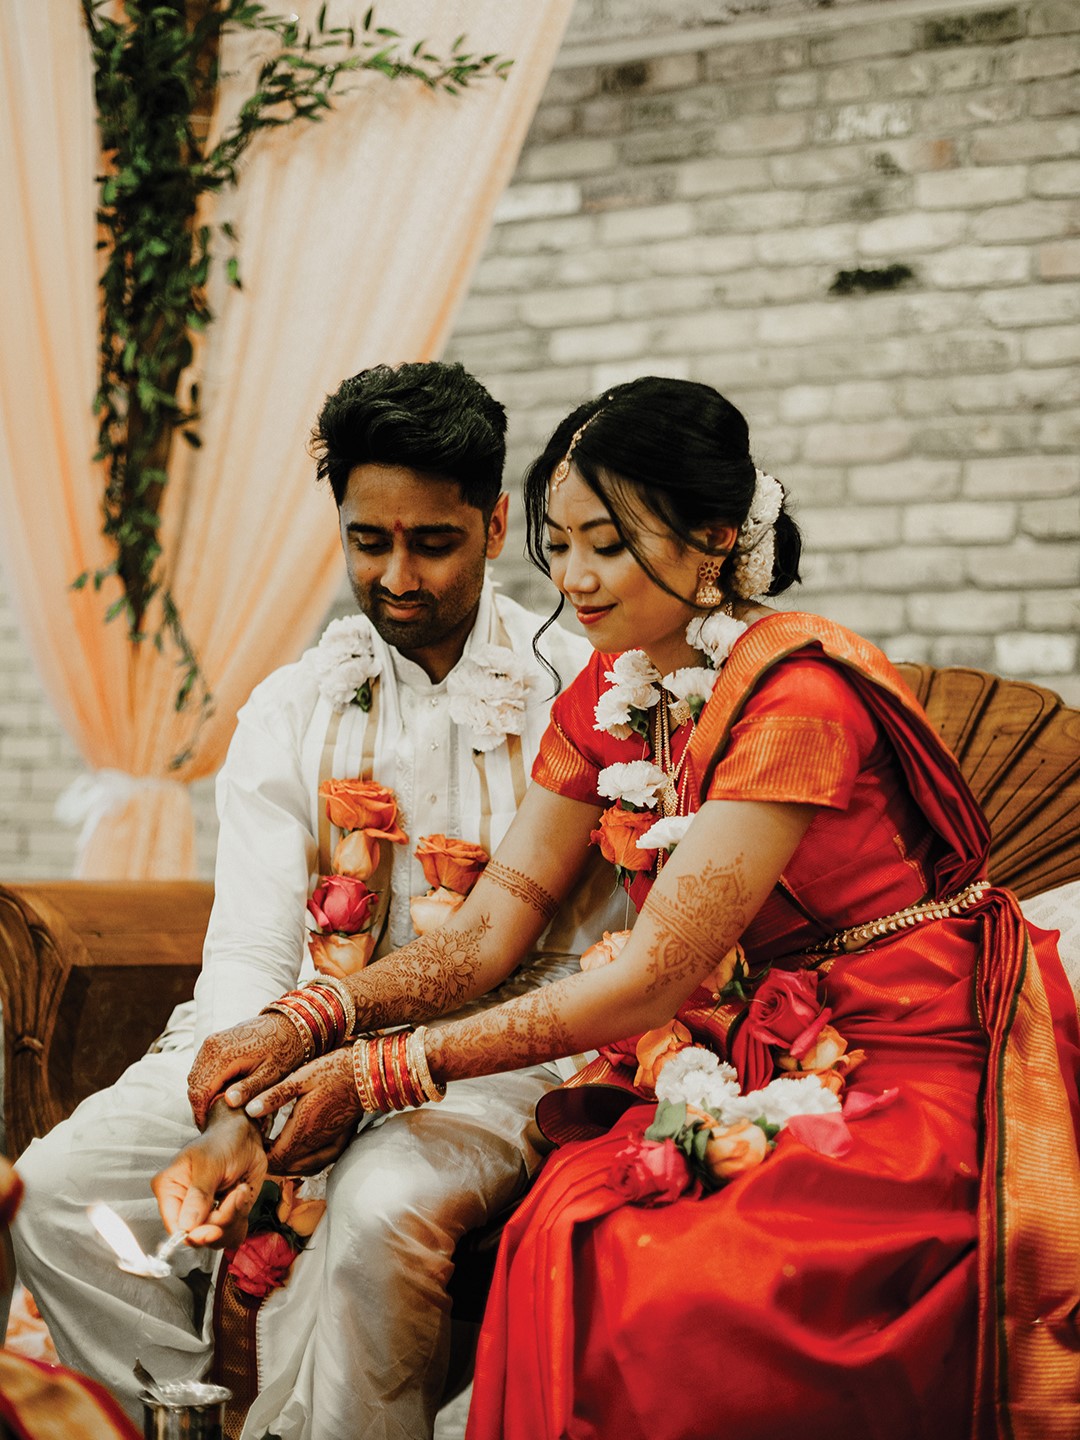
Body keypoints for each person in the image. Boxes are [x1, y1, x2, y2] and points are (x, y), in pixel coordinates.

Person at [178, 375, 1080, 1440]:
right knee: (576, 1226)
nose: (573, 577)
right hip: (750, 1040)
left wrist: (381, 1071)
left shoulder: (797, 698)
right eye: (559, 544)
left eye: (606, 544)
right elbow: (488, 929)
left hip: (908, 1044)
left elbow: (654, 975)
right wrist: (310, 1020)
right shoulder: (606, 700)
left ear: (714, 541)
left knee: (674, 1279)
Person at [12, 361, 616, 1440]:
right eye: (366, 540)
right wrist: (239, 1106)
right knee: (56, 1189)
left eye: (433, 542)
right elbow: (251, 945)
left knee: (377, 1209)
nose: (396, 576)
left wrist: (355, 1066)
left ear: (494, 524)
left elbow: (586, 958)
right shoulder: (293, 705)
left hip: (497, 1059)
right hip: (284, 1031)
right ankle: (190, 1422)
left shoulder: (579, 692)